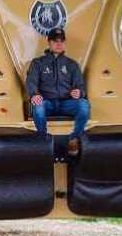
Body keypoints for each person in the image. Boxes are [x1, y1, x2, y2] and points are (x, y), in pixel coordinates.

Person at [26, 28, 90, 156]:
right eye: (55, 41)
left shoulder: (72, 65)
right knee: (38, 107)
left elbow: (81, 86)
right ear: (49, 42)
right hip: (47, 102)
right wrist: (34, 94)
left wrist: (79, 92)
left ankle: (73, 139)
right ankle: (44, 141)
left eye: (61, 41)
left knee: (84, 105)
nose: (59, 44)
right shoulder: (38, 63)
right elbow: (31, 82)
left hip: (67, 103)